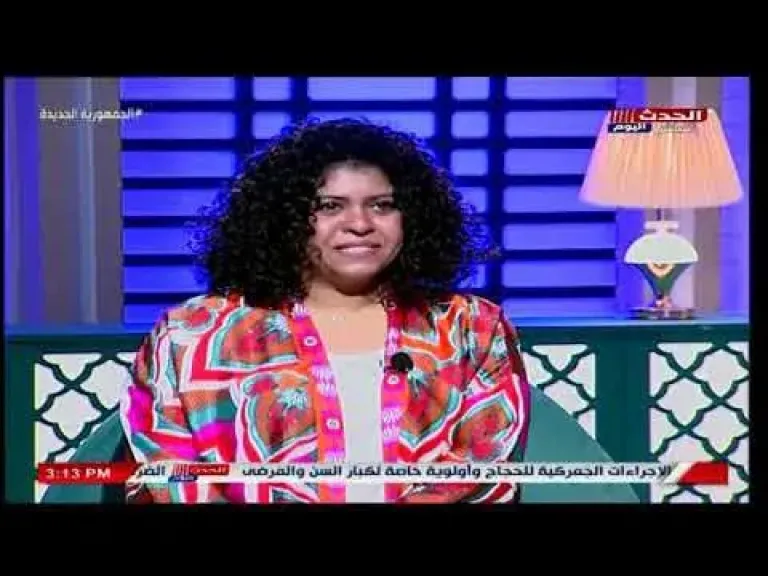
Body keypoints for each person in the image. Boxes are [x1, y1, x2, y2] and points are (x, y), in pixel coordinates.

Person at [119, 117, 531, 504]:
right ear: (284, 218)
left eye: (382, 205)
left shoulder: (473, 329)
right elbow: (166, 472)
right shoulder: (190, 335)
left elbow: (483, 465)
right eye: (331, 206)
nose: (360, 224)